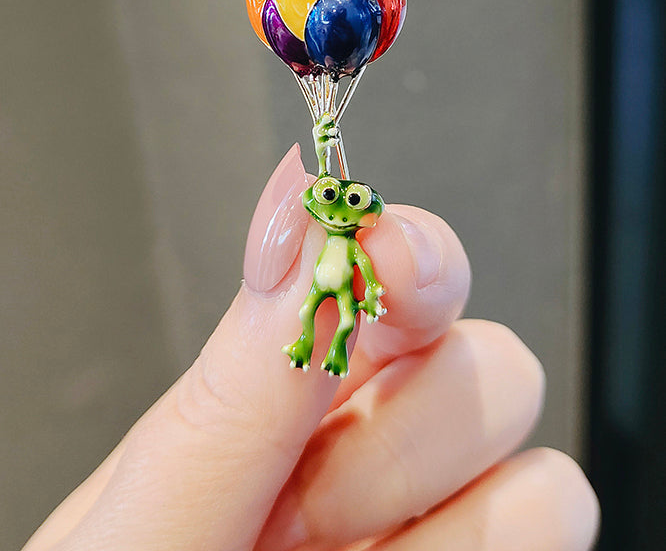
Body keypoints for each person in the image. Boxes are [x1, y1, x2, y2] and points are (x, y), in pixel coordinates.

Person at [24, 146, 599, 550]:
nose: (339, 210)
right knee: (308, 316)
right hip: (322, 282)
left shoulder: (352, 243)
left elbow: (366, 279)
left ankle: (327, 349)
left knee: (339, 322)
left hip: (339, 284)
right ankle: (312, 344)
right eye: (331, 200)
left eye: (351, 204)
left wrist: (371, 289)